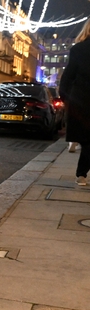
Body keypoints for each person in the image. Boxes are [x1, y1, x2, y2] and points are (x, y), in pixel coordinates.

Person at [59, 18, 90, 186]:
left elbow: (68, 76)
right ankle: (81, 173)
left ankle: (81, 174)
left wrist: (66, 99)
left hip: (81, 100)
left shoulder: (78, 49)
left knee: (86, 139)